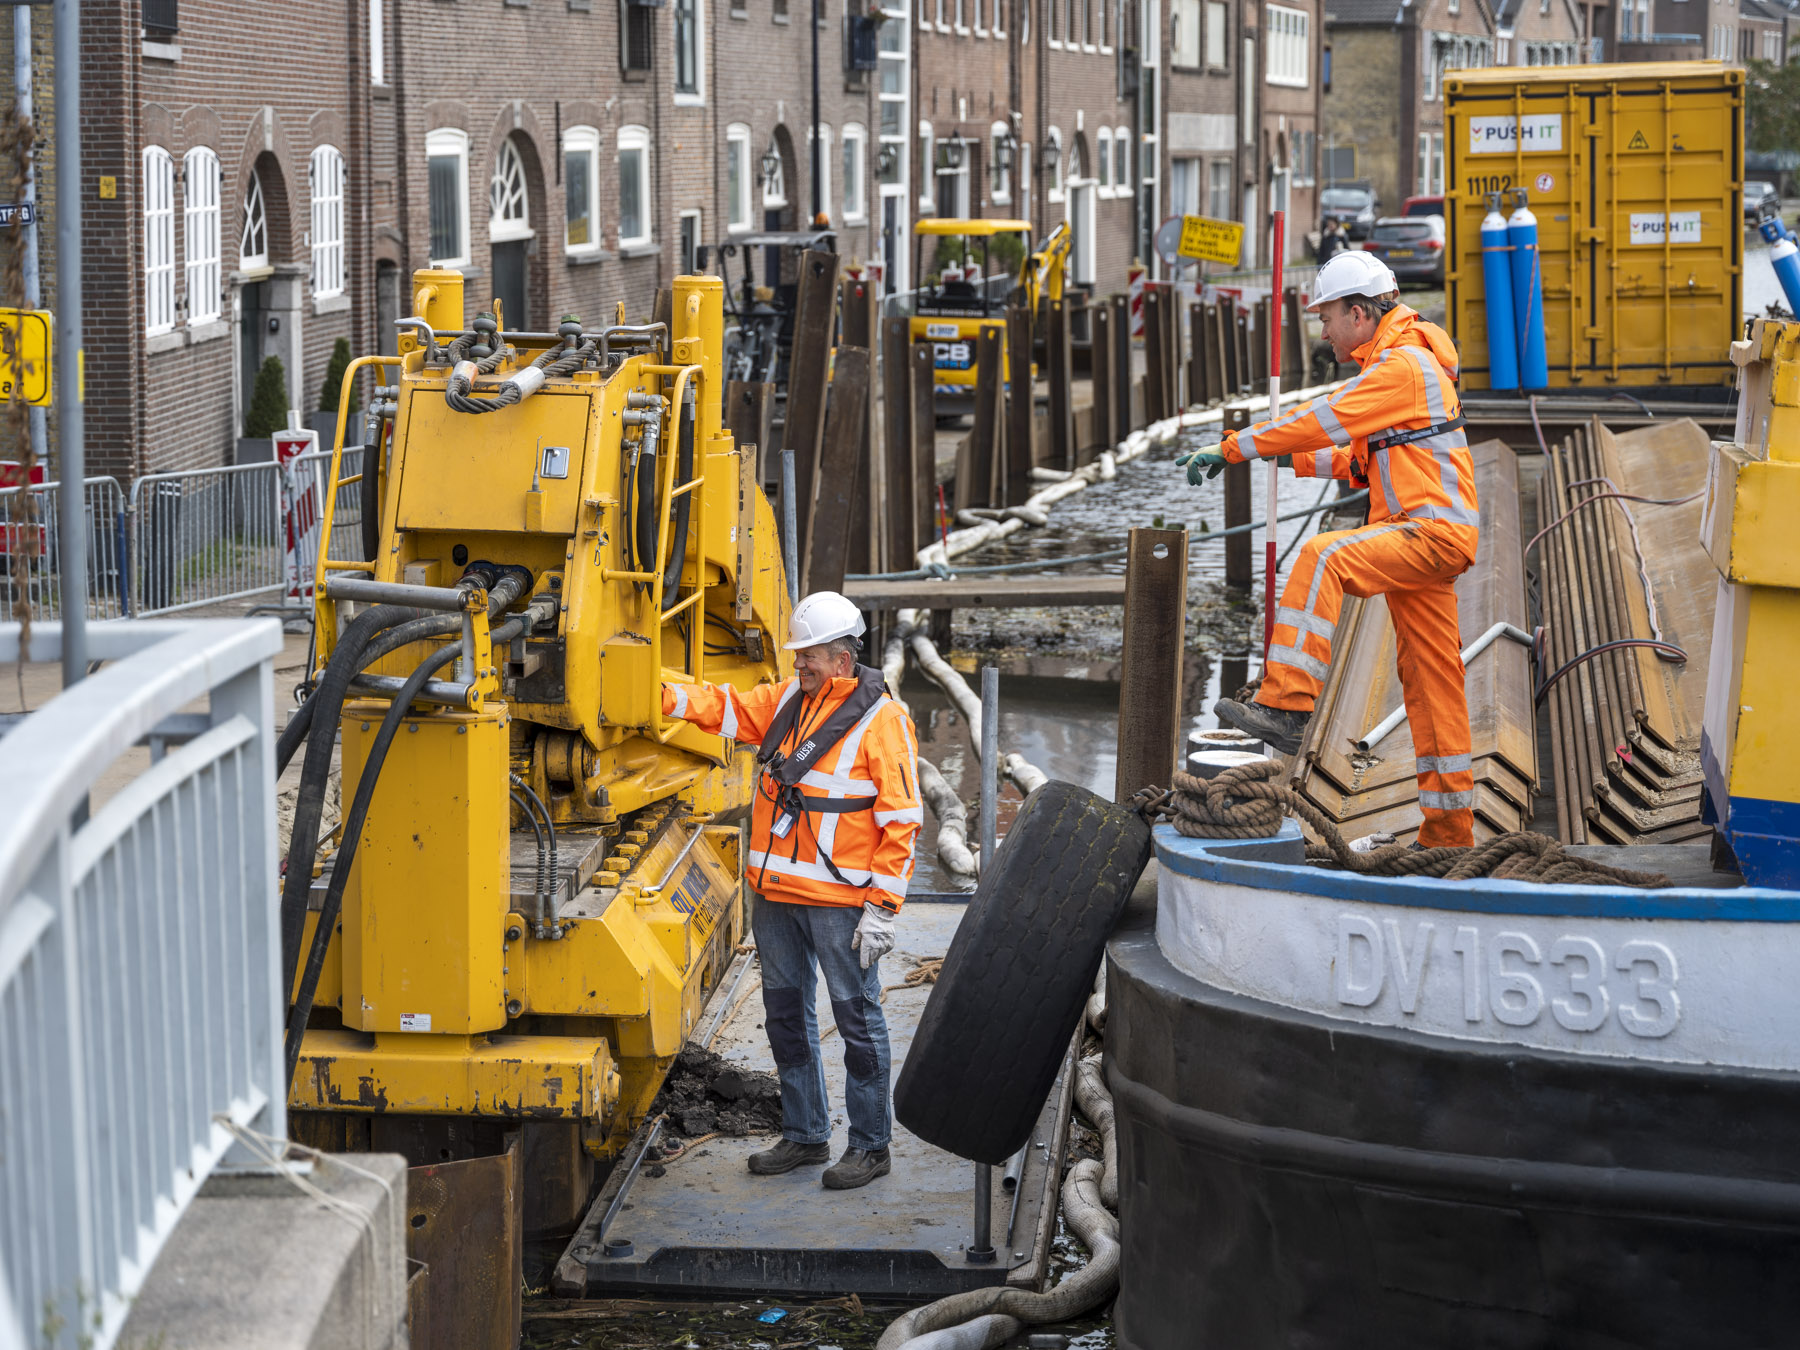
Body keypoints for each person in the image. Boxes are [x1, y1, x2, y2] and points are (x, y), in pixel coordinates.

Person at [1177, 251, 1480, 848]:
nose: (1322, 328)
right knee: (1430, 682)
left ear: (1361, 313)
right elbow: (1354, 457)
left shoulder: (1401, 368)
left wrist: (1237, 447)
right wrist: (1283, 458)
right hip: (1430, 538)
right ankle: (1449, 834)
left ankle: (1286, 704)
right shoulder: (1410, 367)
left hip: (1427, 533)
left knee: (1324, 556)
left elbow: (1325, 419)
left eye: (1328, 316)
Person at [660, 591, 922, 1188]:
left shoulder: (883, 719)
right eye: (798, 654)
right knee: (785, 1015)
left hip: (840, 904)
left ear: (843, 659)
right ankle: (805, 1136)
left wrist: (882, 909)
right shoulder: (785, 700)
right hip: (775, 895)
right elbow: (722, 707)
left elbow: (902, 820)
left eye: (809, 655)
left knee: (857, 1020)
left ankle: (871, 1146)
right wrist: (663, 695)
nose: (798, 664)